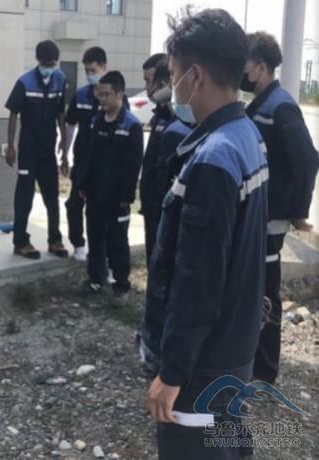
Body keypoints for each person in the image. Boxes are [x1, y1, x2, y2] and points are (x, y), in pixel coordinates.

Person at [141, 9, 268, 459]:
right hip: (232, 348)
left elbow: (198, 280)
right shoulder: (246, 135)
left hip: (202, 368)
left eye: (173, 73)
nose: (170, 86)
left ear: (194, 75)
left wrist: (172, 372)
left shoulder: (213, 158)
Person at [242, 31, 319, 384]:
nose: (241, 73)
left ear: (259, 67)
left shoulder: (280, 106)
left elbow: (307, 159)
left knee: (266, 294)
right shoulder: (260, 104)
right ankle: (252, 361)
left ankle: (265, 370)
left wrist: (298, 209)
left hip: (271, 217)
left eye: (244, 65)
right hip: (258, 213)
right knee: (254, 291)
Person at [77, 71, 143, 295]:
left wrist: (126, 196)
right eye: (100, 94)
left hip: (117, 197)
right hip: (95, 193)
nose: (102, 99)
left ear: (119, 95)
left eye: (107, 95)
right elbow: (89, 156)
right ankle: (96, 278)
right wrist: (83, 183)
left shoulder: (131, 125)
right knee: (95, 237)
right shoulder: (96, 121)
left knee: (117, 241)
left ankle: (121, 285)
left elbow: (133, 165)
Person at [5, 40, 69, 260]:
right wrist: (11, 146)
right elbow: (13, 114)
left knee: (52, 196)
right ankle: (21, 241)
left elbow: (61, 113)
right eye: (46, 63)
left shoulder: (60, 80)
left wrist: (64, 143)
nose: (50, 67)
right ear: (38, 60)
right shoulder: (25, 82)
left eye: (53, 63)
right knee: (24, 196)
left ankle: (55, 239)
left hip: (47, 150)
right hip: (28, 149)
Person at [140, 58, 192, 266]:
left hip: (163, 205)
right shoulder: (160, 114)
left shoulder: (178, 121)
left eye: (149, 82)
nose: (147, 88)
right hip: (151, 203)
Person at [64, 47, 108, 262]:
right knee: (74, 204)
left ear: (104, 68)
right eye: (87, 71)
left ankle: (99, 251)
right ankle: (78, 244)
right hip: (82, 162)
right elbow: (70, 125)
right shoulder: (81, 95)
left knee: (98, 210)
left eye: (93, 70)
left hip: (103, 165)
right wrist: (64, 153)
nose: (90, 74)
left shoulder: (112, 96)